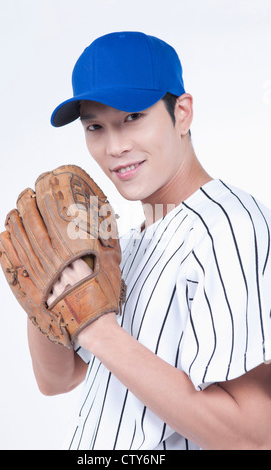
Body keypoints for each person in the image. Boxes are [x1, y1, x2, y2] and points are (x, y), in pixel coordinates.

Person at [27, 31, 271, 450]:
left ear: (182, 114)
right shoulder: (124, 242)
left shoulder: (229, 228)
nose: (115, 146)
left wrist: (99, 331)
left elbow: (255, 435)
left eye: (133, 117)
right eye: (96, 127)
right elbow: (58, 379)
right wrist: (43, 285)